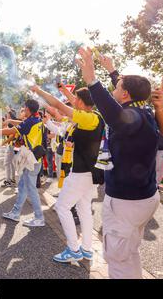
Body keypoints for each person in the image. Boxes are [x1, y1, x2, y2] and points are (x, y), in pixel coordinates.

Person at [78, 48, 159, 279]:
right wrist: (113, 71)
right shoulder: (142, 113)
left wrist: (93, 81)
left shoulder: (130, 119)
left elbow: (114, 113)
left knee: (117, 259)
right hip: (141, 199)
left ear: (124, 95)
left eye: (117, 86)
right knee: (128, 254)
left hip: (127, 203)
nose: (115, 88)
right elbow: (125, 96)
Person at [31, 83, 104, 263]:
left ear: (80, 102)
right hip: (87, 172)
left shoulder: (90, 118)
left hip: (81, 173)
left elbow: (58, 105)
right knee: (84, 209)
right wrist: (49, 120)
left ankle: (73, 249)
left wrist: (39, 91)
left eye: (75, 99)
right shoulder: (89, 117)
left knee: (62, 207)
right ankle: (86, 249)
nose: (72, 102)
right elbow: (63, 127)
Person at [0, 99, 46, 227]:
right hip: (34, 160)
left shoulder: (30, 122)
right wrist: (11, 121)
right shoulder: (37, 120)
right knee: (22, 186)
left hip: (31, 162)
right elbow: (22, 123)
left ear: (27, 109)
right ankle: (16, 213)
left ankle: (39, 218)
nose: (23, 109)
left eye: (24, 108)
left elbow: (11, 131)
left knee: (31, 189)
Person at [1, 108, 18, 188]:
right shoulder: (13, 123)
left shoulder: (11, 124)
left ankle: (8, 181)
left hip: (11, 145)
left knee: (7, 163)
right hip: (13, 145)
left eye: (7, 115)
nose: (6, 116)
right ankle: (12, 179)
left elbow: (12, 136)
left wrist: (4, 142)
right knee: (11, 164)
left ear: (10, 116)